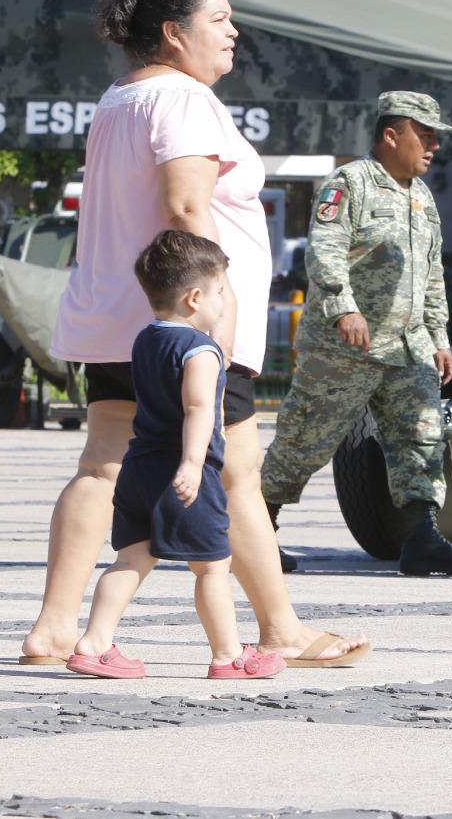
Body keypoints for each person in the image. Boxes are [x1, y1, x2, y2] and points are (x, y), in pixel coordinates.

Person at [21, 0, 366, 668]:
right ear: (175, 35)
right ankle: (281, 630)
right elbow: (185, 208)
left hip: (115, 315)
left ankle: (55, 630)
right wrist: (219, 304)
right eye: (219, 20)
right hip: (186, 320)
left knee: (102, 466)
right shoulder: (184, 100)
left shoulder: (120, 98)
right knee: (237, 470)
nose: (233, 32)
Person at [261, 92, 452, 578]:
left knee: (422, 439)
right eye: (424, 137)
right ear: (391, 134)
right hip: (347, 347)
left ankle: (421, 538)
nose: (432, 148)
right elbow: (325, 250)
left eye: (435, 139)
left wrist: (441, 337)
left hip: (408, 348)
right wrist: (344, 308)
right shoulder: (351, 184)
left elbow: (431, 276)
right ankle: (256, 531)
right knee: (304, 441)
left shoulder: (421, 197)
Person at [70, 232, 306, 681]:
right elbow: (199, 410)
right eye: (221, 292)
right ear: (195, 298)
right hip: (182, 473)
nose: (224, 301)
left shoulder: (144, 340)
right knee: (213, 568)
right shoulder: (202, 351)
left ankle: (94, 643)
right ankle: (228, 655)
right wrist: (194, 465)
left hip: (138, 467)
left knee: (130, 559)